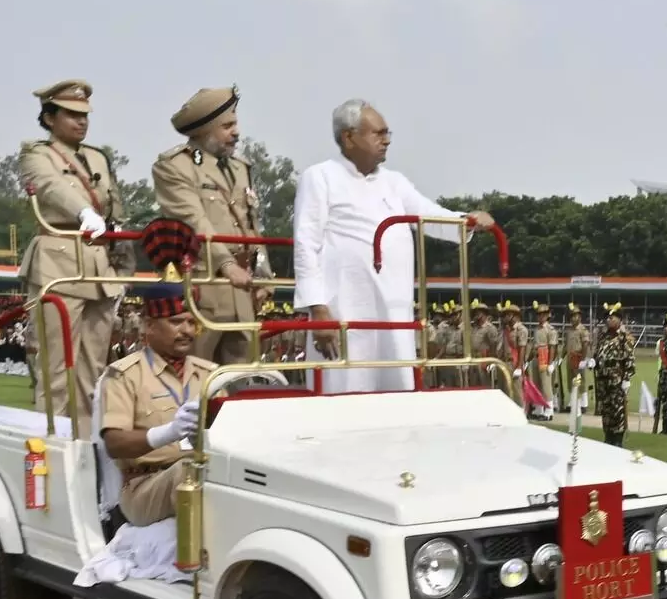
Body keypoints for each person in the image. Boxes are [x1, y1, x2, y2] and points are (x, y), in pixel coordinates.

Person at [289, 99, 493, 393]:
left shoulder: (394, 182)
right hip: (343, 311)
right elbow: (306, 246)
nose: (386, 140)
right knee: (342, 400)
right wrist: (318, 311)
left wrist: (467, 221)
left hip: (393, 314)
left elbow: (428, 214)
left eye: (388, 134)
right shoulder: (320, 177)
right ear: (348, 137)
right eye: (378, 133)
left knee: (395, 400)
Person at [20, 79, 125, 425]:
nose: (81, 122)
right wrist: (83, 212)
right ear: (50, 119)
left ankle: (83, 453)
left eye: (85, 116)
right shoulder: (37, 153)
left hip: (98, 268)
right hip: (59, 265)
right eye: (71, 115)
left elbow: (116, 210)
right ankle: (50, 451)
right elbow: (51, 187)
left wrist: (122, 267)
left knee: (93, 376)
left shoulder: (98, 157)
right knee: (56, 372)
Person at [152, 86, 274, 364]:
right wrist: (226, 264)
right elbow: (194, 219)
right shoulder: (175, 166)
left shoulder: (240, 168)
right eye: (227, 126)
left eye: (235, 124)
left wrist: (264, 272)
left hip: (242, 291)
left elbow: (252, 225)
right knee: (195, 377)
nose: (236, 132)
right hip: (202, 287)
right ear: (205, 130)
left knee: (240, 380)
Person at [98, 281, 213, 528]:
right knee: (189, 471)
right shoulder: (125, 374)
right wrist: (168, 433)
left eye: (191, 322)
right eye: (175, 322)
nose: (186, 330)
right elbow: (114, 444)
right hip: (144, 485)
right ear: (150, 326)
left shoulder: (210, 375)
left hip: (202, 472)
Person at [594, 303, 636, 446]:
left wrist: (627, 379)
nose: (609, 320)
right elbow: (597, 355)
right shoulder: (602, 337)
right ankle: (608, 438)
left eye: (612, 317)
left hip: (617, 381)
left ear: (619, 319)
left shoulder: (625, 337)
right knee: (606, 413)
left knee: (617, 412)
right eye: (607, 318)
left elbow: (629, 359)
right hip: (603, 382)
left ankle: (617, 441)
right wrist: (593, 362)